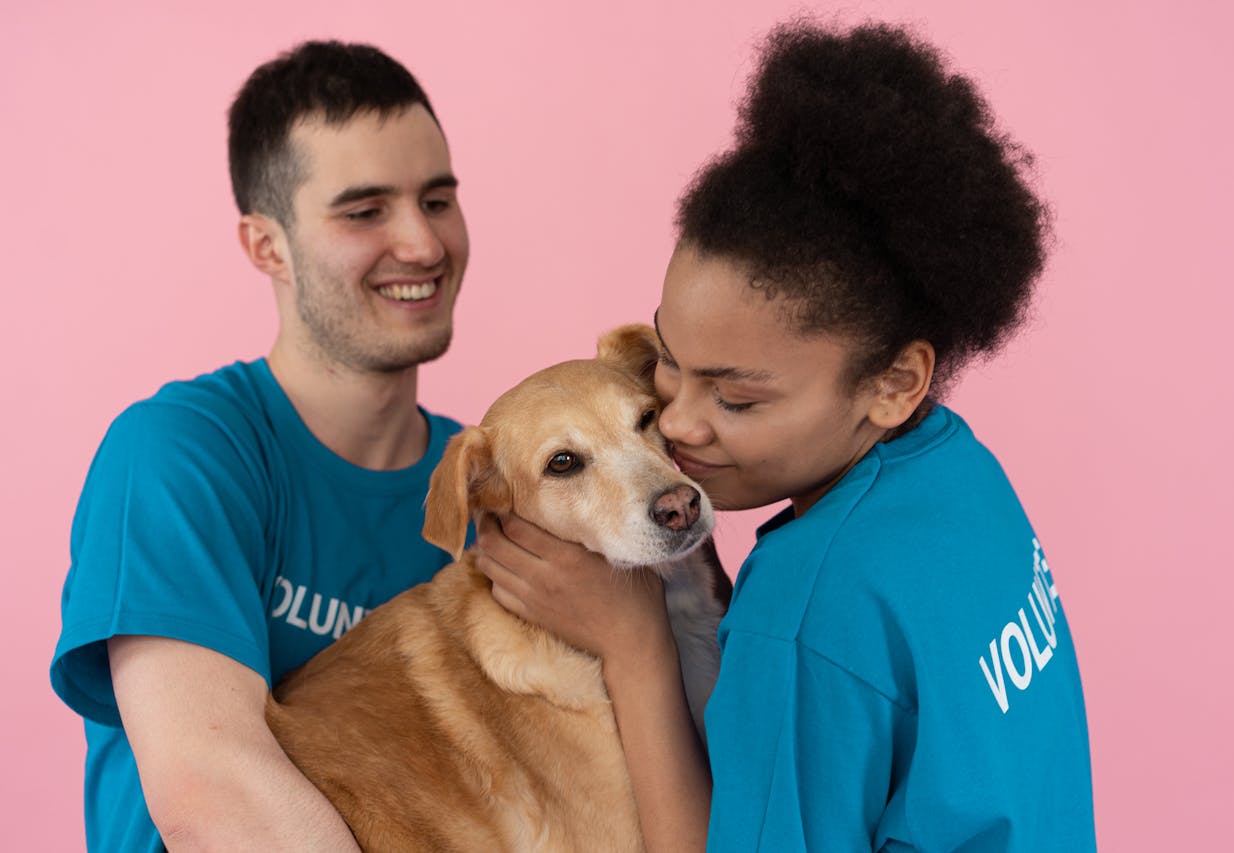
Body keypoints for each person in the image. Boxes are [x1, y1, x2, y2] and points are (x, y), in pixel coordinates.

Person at [475, 21, 1096, 852]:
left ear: (893, 382)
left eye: (735, 397)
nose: (681, 424)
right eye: (668, 363)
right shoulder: (963, 473)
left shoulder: (803, 615)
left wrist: (635, 646)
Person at [50, 41, 469, 851]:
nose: (422, 244)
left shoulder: (495, 486)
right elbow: (216, 795)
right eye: (365, 210)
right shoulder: (179, 455)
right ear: (266, 246)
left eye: (438, 199)